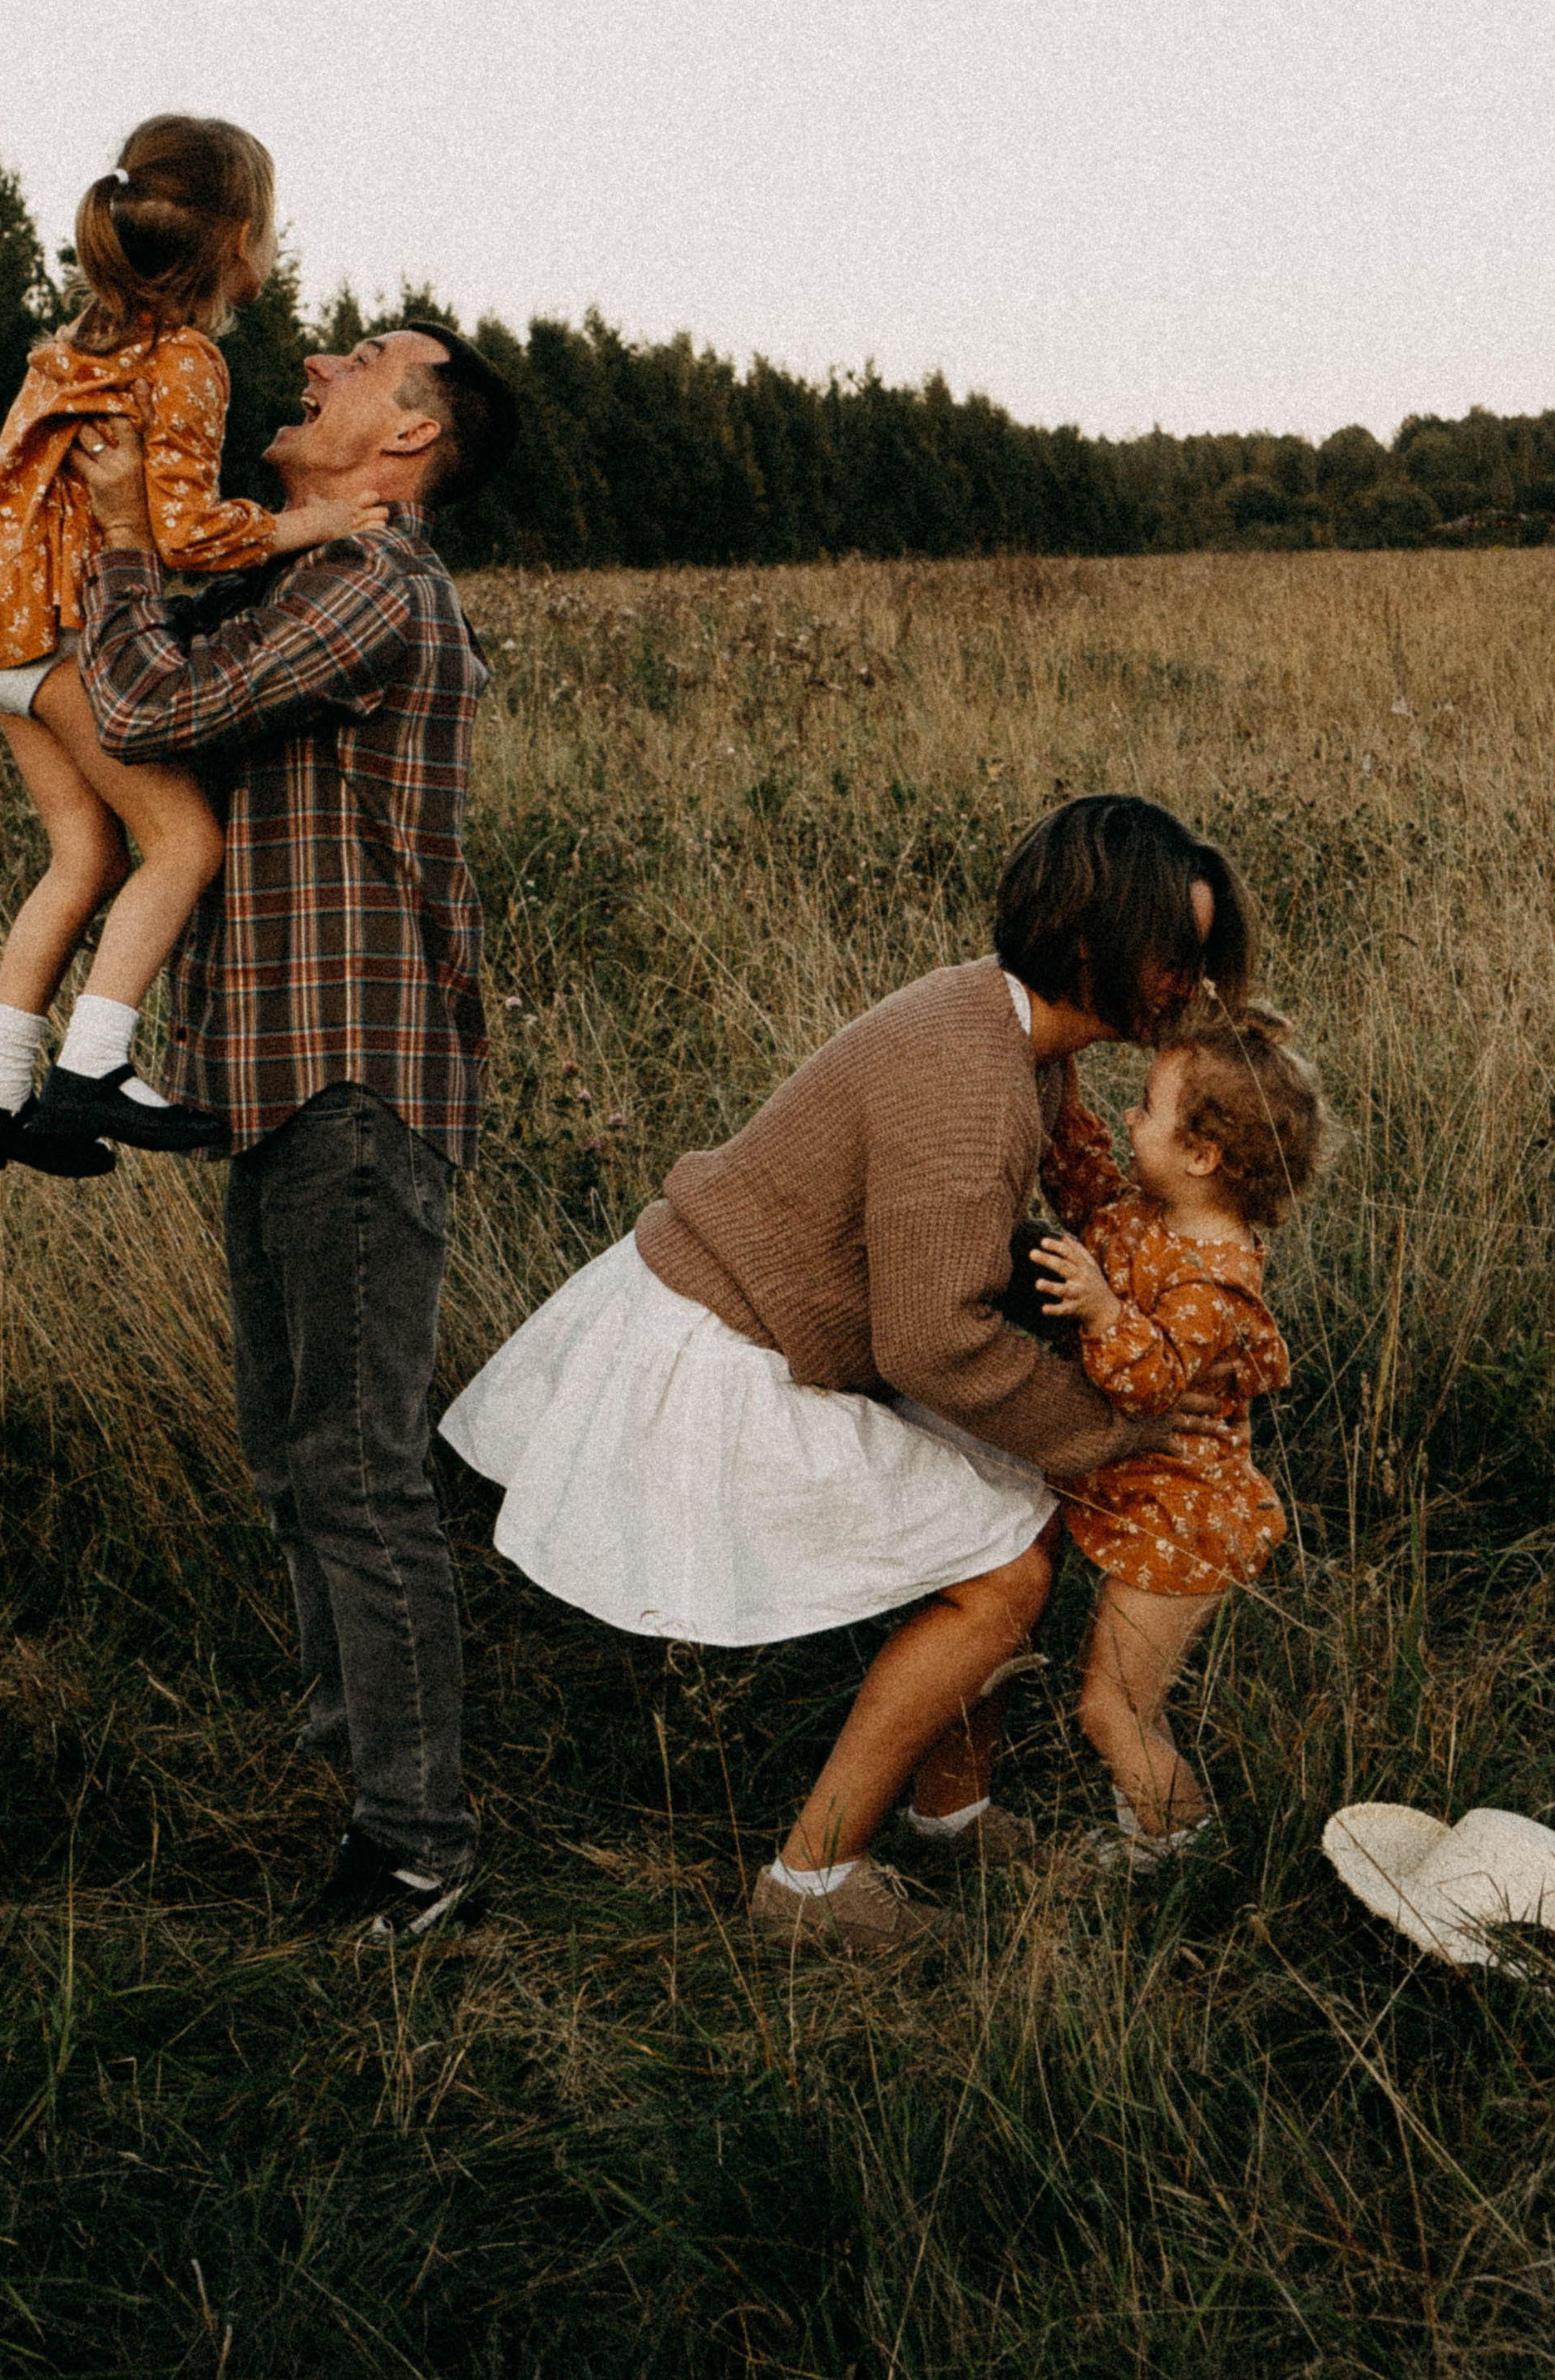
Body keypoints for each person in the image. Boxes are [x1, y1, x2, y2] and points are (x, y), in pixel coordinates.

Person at [442, 793, 1255, 1956]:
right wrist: (1114, 1426)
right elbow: (932, 1342)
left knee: (1009, 1513)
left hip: (763, 1317)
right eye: (1175, 956)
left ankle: (949, 1816)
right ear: (1094, 947)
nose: (1189, 984)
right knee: (1005, 1573)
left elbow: (951, 1264)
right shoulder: (974, 1080)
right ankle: (810, 1885)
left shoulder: (1008, 1030)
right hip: (710, 1353)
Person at [71, 320, 521, 1936]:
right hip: (268, 1079)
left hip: (347, 1078)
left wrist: (125, 535)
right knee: (295, 1457)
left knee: (355, 1467)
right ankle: (364, 1786)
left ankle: (414, 1850)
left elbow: (138, 710)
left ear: (405, 441)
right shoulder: (291, 573)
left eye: (364, 358)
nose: (317, 354)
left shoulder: (372, 585)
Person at [0, 116, 383, 1179]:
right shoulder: (184, 360)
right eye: (270, 225)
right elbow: (180, 531)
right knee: (184, 844)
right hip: (57, 638)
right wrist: (308, 526)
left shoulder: (82, 340)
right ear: (237, 241)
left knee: (84, 858)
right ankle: (91, 1066)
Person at [1031, 1000, 1329, 1865]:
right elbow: (1087, 1186)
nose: (1130, 1120)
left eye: (1146, 1110)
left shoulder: (1218, 1278)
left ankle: (1189, 1853)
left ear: (1202, 1155)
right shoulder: (1152, 1215)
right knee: (1137, 1701)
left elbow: (1148, 1380)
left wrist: (1097, 1307)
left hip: (1183, 1528)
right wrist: (1059, 1082)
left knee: (1108, 1711)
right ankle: (1155, 1832)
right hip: (1154, 1512)